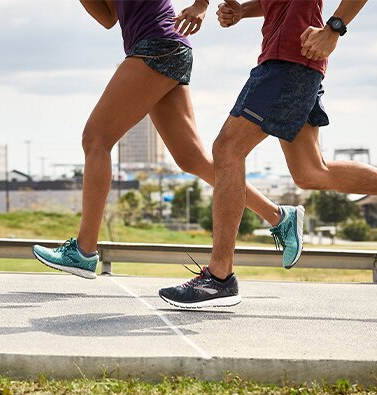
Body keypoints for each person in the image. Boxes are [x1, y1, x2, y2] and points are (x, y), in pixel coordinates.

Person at [158, 0, 377, 309]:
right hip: (293, 60)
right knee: (311, 172)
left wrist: (334, 28)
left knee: (227, 149)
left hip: (289, 59)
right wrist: (243, 12)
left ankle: (219, 277)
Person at [33, 0, 307, 280]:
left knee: (95, 140)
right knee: (192, 159)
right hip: (164, 48)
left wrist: (201, 5)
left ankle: (83, 250)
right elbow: (108, 17)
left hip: (158, 46)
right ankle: (280, 217)